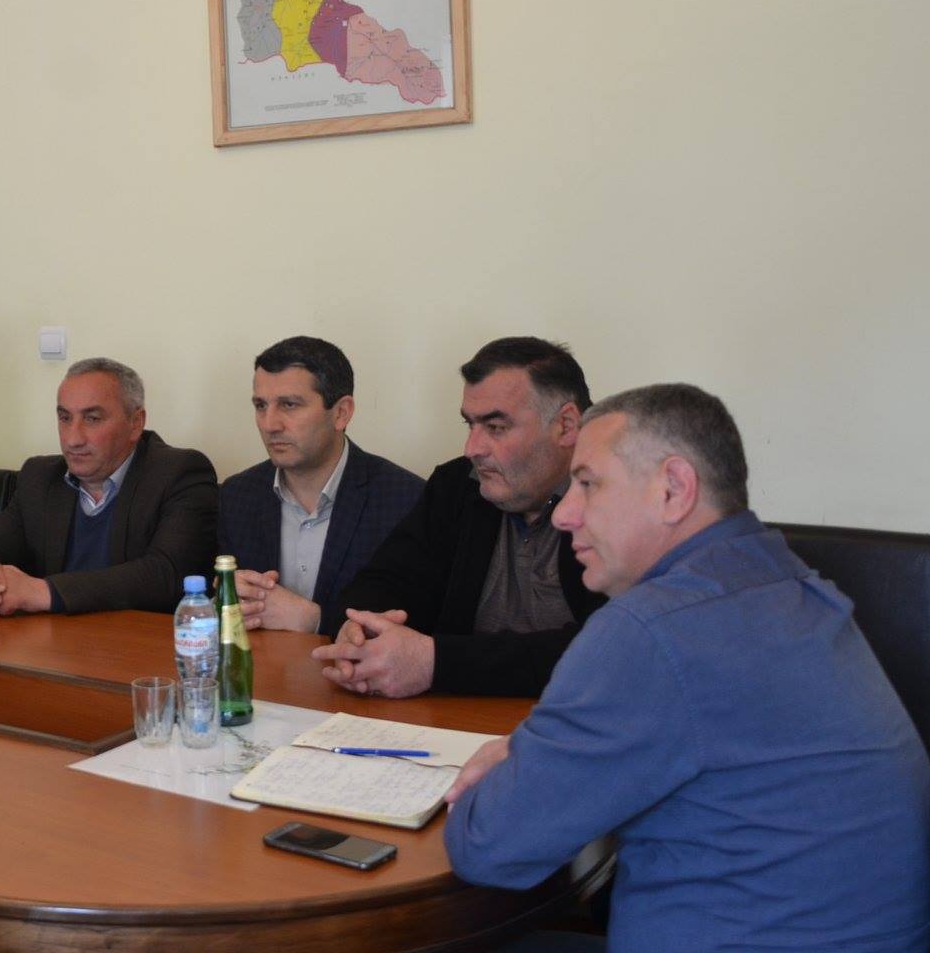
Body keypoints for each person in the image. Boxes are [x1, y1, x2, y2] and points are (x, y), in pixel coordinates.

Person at [445, 384, 930, 950]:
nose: (566, 514)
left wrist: (514, 761)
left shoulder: (653, 628)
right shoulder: (787, 581)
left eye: (588, 483)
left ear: (673, 489)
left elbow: (488, 847)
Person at [314, 337, 603, 698]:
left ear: (566, 425)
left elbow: (610, 651)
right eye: (470, 425)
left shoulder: (620, 503)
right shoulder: (458, 486)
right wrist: (359, 630)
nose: (472, 449)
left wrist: (437, 662)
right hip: (455, 718)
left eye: (495, 427)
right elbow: (384, 582)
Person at [0, 358, 216, 615]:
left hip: (139, 637)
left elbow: (167, 574)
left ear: (135, 423)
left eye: (92, 419)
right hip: (52, 637)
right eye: (65, 418)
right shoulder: (40, 477)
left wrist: (43, 592)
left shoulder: (179, 473)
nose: (73, 439)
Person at [219, 337, 423, 637]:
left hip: (350, 666)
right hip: (261, 665)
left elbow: (416, 624)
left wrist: (316, 620)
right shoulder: (236, 495)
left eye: (289, 405)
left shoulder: (405, 500)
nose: (270, 424)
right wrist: (225, 595)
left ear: (341, 413)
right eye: (261, 405)